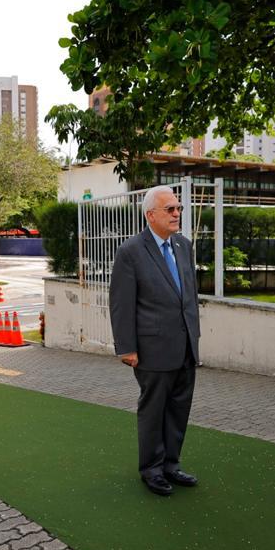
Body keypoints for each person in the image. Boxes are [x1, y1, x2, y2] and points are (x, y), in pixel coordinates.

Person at [109, 185, 202, 496]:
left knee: (178, 409)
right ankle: (151, 469)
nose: (177, 214)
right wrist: (127, 347)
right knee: (153, 411)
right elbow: (121, 303)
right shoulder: (131, 251)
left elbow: (189, 296)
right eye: (170, 209)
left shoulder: (184, 246)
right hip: (151, 350)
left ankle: (171, 465)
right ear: (150, 215)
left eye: (178, 208)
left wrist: (194, 336)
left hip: (185, 346)